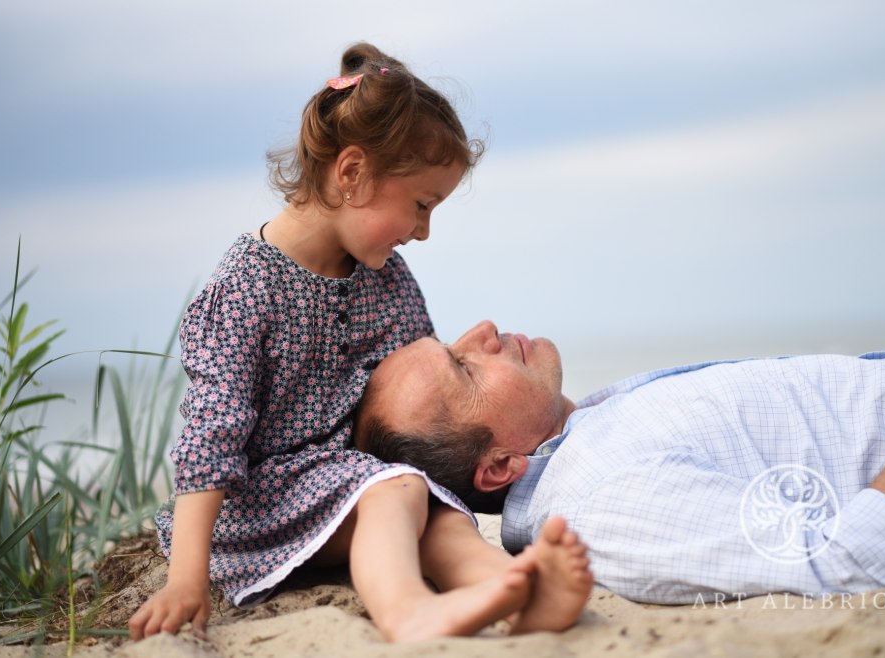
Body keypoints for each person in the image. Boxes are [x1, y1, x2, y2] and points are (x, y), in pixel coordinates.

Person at [129, 46, 593, 643]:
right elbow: (210, 438)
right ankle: (409, 613)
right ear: (352, 174)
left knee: (437, 501)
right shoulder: (247, 287)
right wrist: (185, 579)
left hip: (355, 489)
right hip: (257, 508)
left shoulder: (387, 279)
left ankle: (514, 587)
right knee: (395, 487)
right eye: (421, 205)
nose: (423, 231)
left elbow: (421, 403)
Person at [355, 319, 885, 604]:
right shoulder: (602, 500)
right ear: (501, 465)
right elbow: (858, 565)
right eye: (465, 368)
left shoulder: (595, 437)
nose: (481, 331)